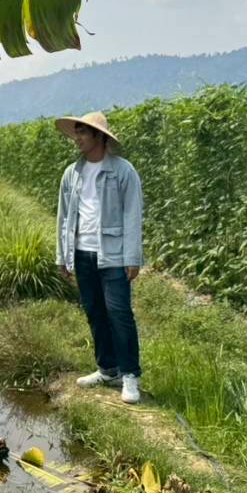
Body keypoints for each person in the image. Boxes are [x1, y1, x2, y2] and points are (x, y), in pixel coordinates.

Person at [54, 111, 144, 404]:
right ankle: (107, 369)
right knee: (94, 311)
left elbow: (132, 215)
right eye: (76, 132)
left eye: (82, 133)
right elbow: (64, 217)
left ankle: (130, 375)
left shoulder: (122, 171)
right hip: (82, 254)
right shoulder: (72, 173)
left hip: (114, 255)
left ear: (99, 137)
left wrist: (133, 257)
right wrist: (62, 256)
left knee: (119, 313)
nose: (76, 138)